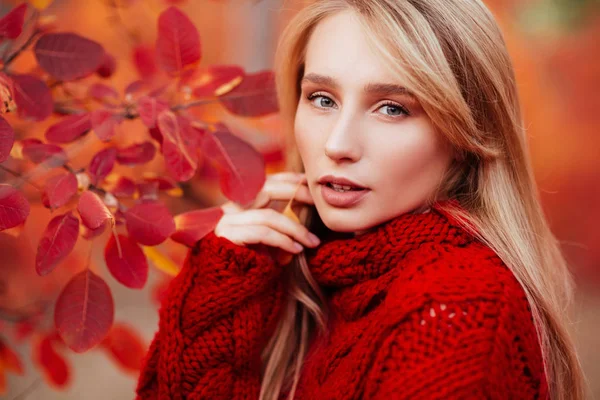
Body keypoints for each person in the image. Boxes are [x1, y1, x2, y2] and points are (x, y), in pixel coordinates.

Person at [136, 0, 586, 399]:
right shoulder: (303, 279)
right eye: (322, 99)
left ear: (467, 133)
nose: (337, 143)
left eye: (392, 107)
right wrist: (219, 293)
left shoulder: (457, 310)